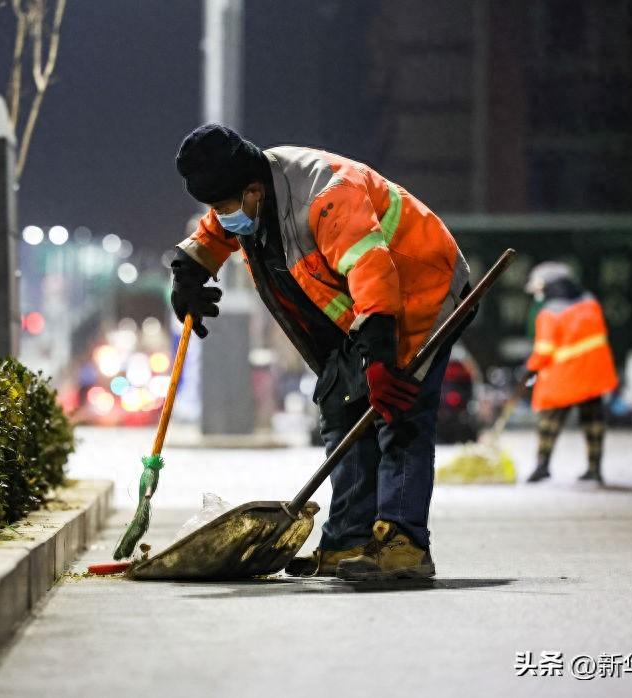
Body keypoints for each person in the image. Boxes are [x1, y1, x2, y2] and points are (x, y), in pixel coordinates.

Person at [170, 124, 470, 581]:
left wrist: (380, 362)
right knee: (339, 408)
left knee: (398, 416)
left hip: (420, 293)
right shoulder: (254, 192)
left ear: (252, 192)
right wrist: (188, 274)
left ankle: (405, 545)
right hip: (360, 313)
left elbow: (373, 273)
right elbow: (214, 234)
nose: (222, 217)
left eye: (226, 207)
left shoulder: (327, 196)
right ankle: (347, 541)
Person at [523, 262, 618, 484]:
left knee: (549, 423)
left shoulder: (550, 313)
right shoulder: (590, 303)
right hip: (593, 374)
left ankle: (542, 465)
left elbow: (544, 350)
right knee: (594, 422)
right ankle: (595, 468)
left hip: (565, 377)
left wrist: (530, 369)